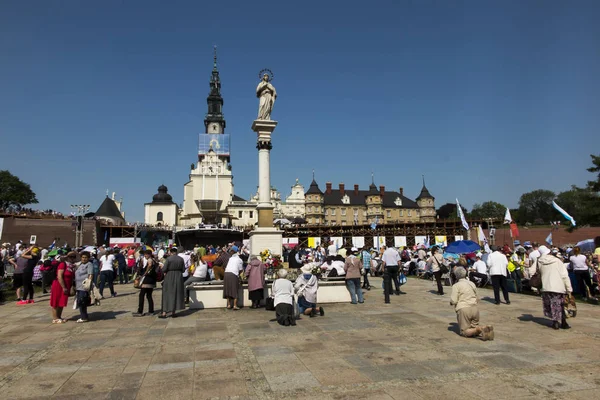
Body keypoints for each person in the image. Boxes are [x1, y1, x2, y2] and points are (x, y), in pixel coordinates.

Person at [450, 267, 494, 340]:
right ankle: (484, 330)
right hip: (474, 308)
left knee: (464, 332)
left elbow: (454, 300)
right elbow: (477, 296)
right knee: (473, 328)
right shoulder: (472, 283)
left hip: (463, 308)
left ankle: (480, 329)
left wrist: (451, 302)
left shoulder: (456, 285)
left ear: (456, 276)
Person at [539, 246, 573, 329]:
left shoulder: (540, 261)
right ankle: (562, 322)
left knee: (551, 305)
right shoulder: (558, 261)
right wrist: (569, 289)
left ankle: (555, 322)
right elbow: (565, 276)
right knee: (560, 305)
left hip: (546, 286)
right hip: (558, 286)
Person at [49, 252, 77, 324]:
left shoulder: (71, 266)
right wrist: (63, 287)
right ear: (67, 257)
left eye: (74, 257)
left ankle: (59, 316)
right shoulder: (62, 264)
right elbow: (59, 276)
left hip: (67, 285)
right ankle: (55, 318)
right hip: (59, 285)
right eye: (71, 257)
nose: (72, 258)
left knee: (62, 301)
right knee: (56, 301)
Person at [159, 248, 185, 318]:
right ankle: (173, 312)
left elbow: (164, 269)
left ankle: (164, 313)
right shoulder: (181, 259)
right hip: (179, 276)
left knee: (167, 293)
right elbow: (183, 270)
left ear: (170, 252)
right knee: (176, 293)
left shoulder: (169, 259)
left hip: (169, 276)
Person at [133, 250, 157, 317]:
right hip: (151, 280)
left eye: (146, 254)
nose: (145, 256)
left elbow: (149, 266)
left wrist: (144, 274)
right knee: (149, 296)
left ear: (149, 254)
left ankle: (140, 311)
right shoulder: (153, 260)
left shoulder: (150, 260)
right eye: (144, 254)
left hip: (147, 280)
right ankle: (151, 311)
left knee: (142, 295)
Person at [74, 251, 94, 323]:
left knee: (82, 301)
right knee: (80, 301)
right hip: (78, 286)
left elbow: (90, 274)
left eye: (85, 257)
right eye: (83, 257)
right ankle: (83, 316)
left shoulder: (89, 264)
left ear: (88, 258)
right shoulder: (80, 264)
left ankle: (84, 317)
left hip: (84, 286)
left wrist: (88, 283)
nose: (84, 259)